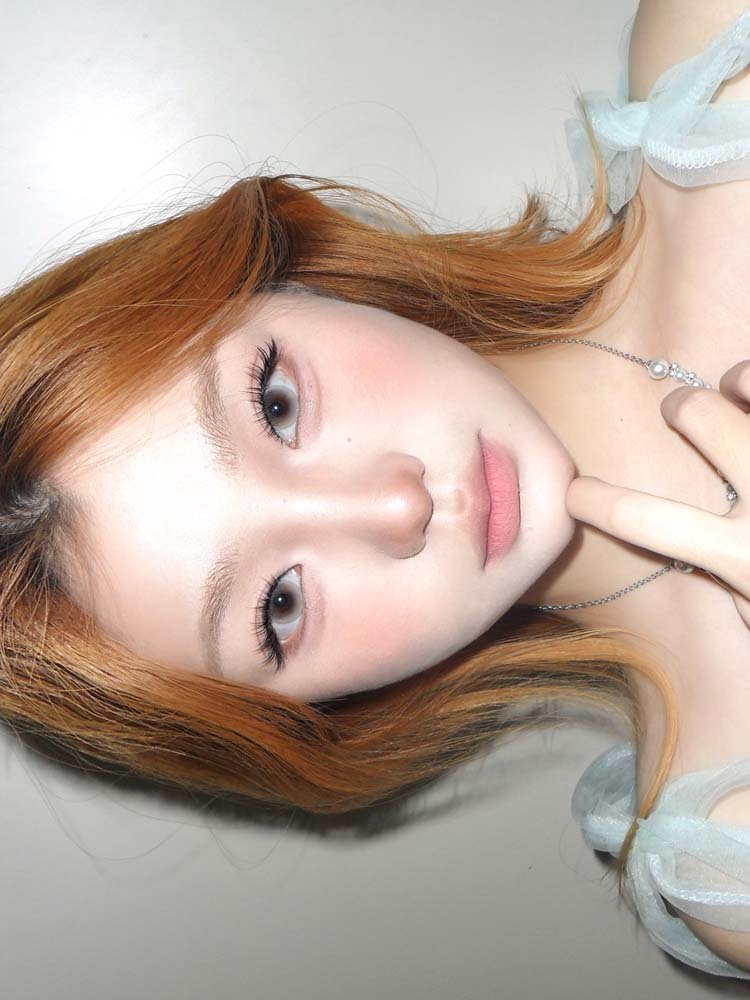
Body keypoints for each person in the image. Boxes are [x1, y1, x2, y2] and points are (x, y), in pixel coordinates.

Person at [3, 0, 750, 980]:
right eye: (279, 607)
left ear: (283, 278)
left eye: (274, 404)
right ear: (321, 709)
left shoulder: (719, 73)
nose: (397, 508)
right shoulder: (730, 851)